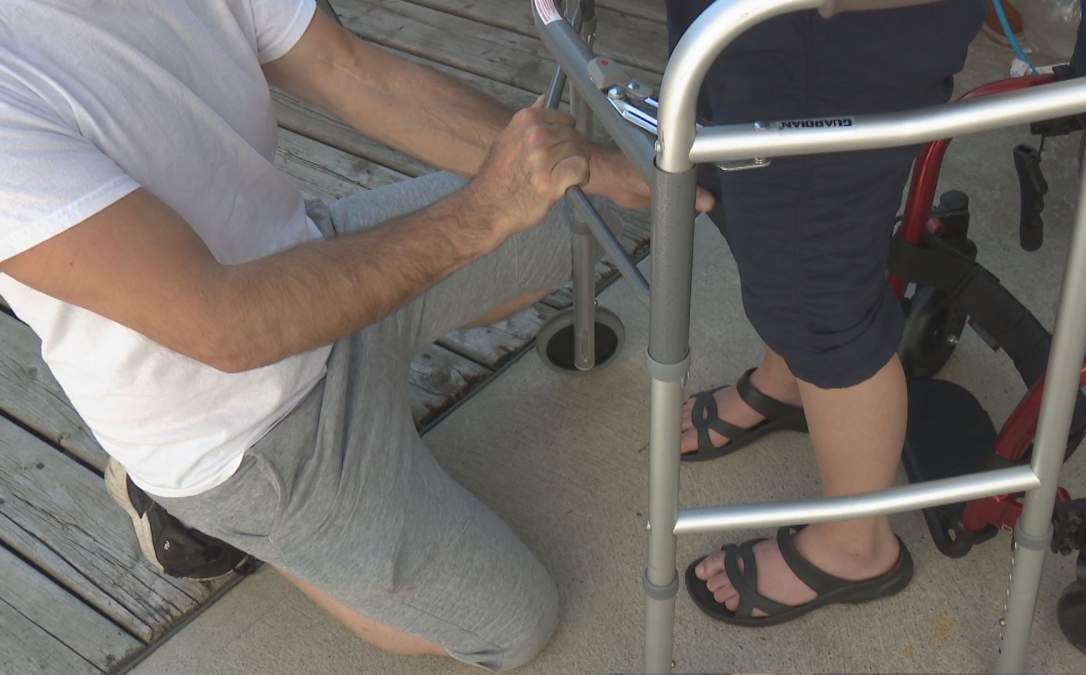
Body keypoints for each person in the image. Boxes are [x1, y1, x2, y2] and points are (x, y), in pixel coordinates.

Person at [0, 1, 708, 670]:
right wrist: (484, 212)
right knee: (515, 626)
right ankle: (221, 523)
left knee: (574, 214)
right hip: (243, 430)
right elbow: (225, 324)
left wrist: (595, 164)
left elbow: (350, 70)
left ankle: (362, 464)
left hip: (306, 257)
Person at [663, 0, 985, 625]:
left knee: (818, 287)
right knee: (751, 200)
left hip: (841, 25)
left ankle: (855, 546)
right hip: (758, 26)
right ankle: (788, 379)